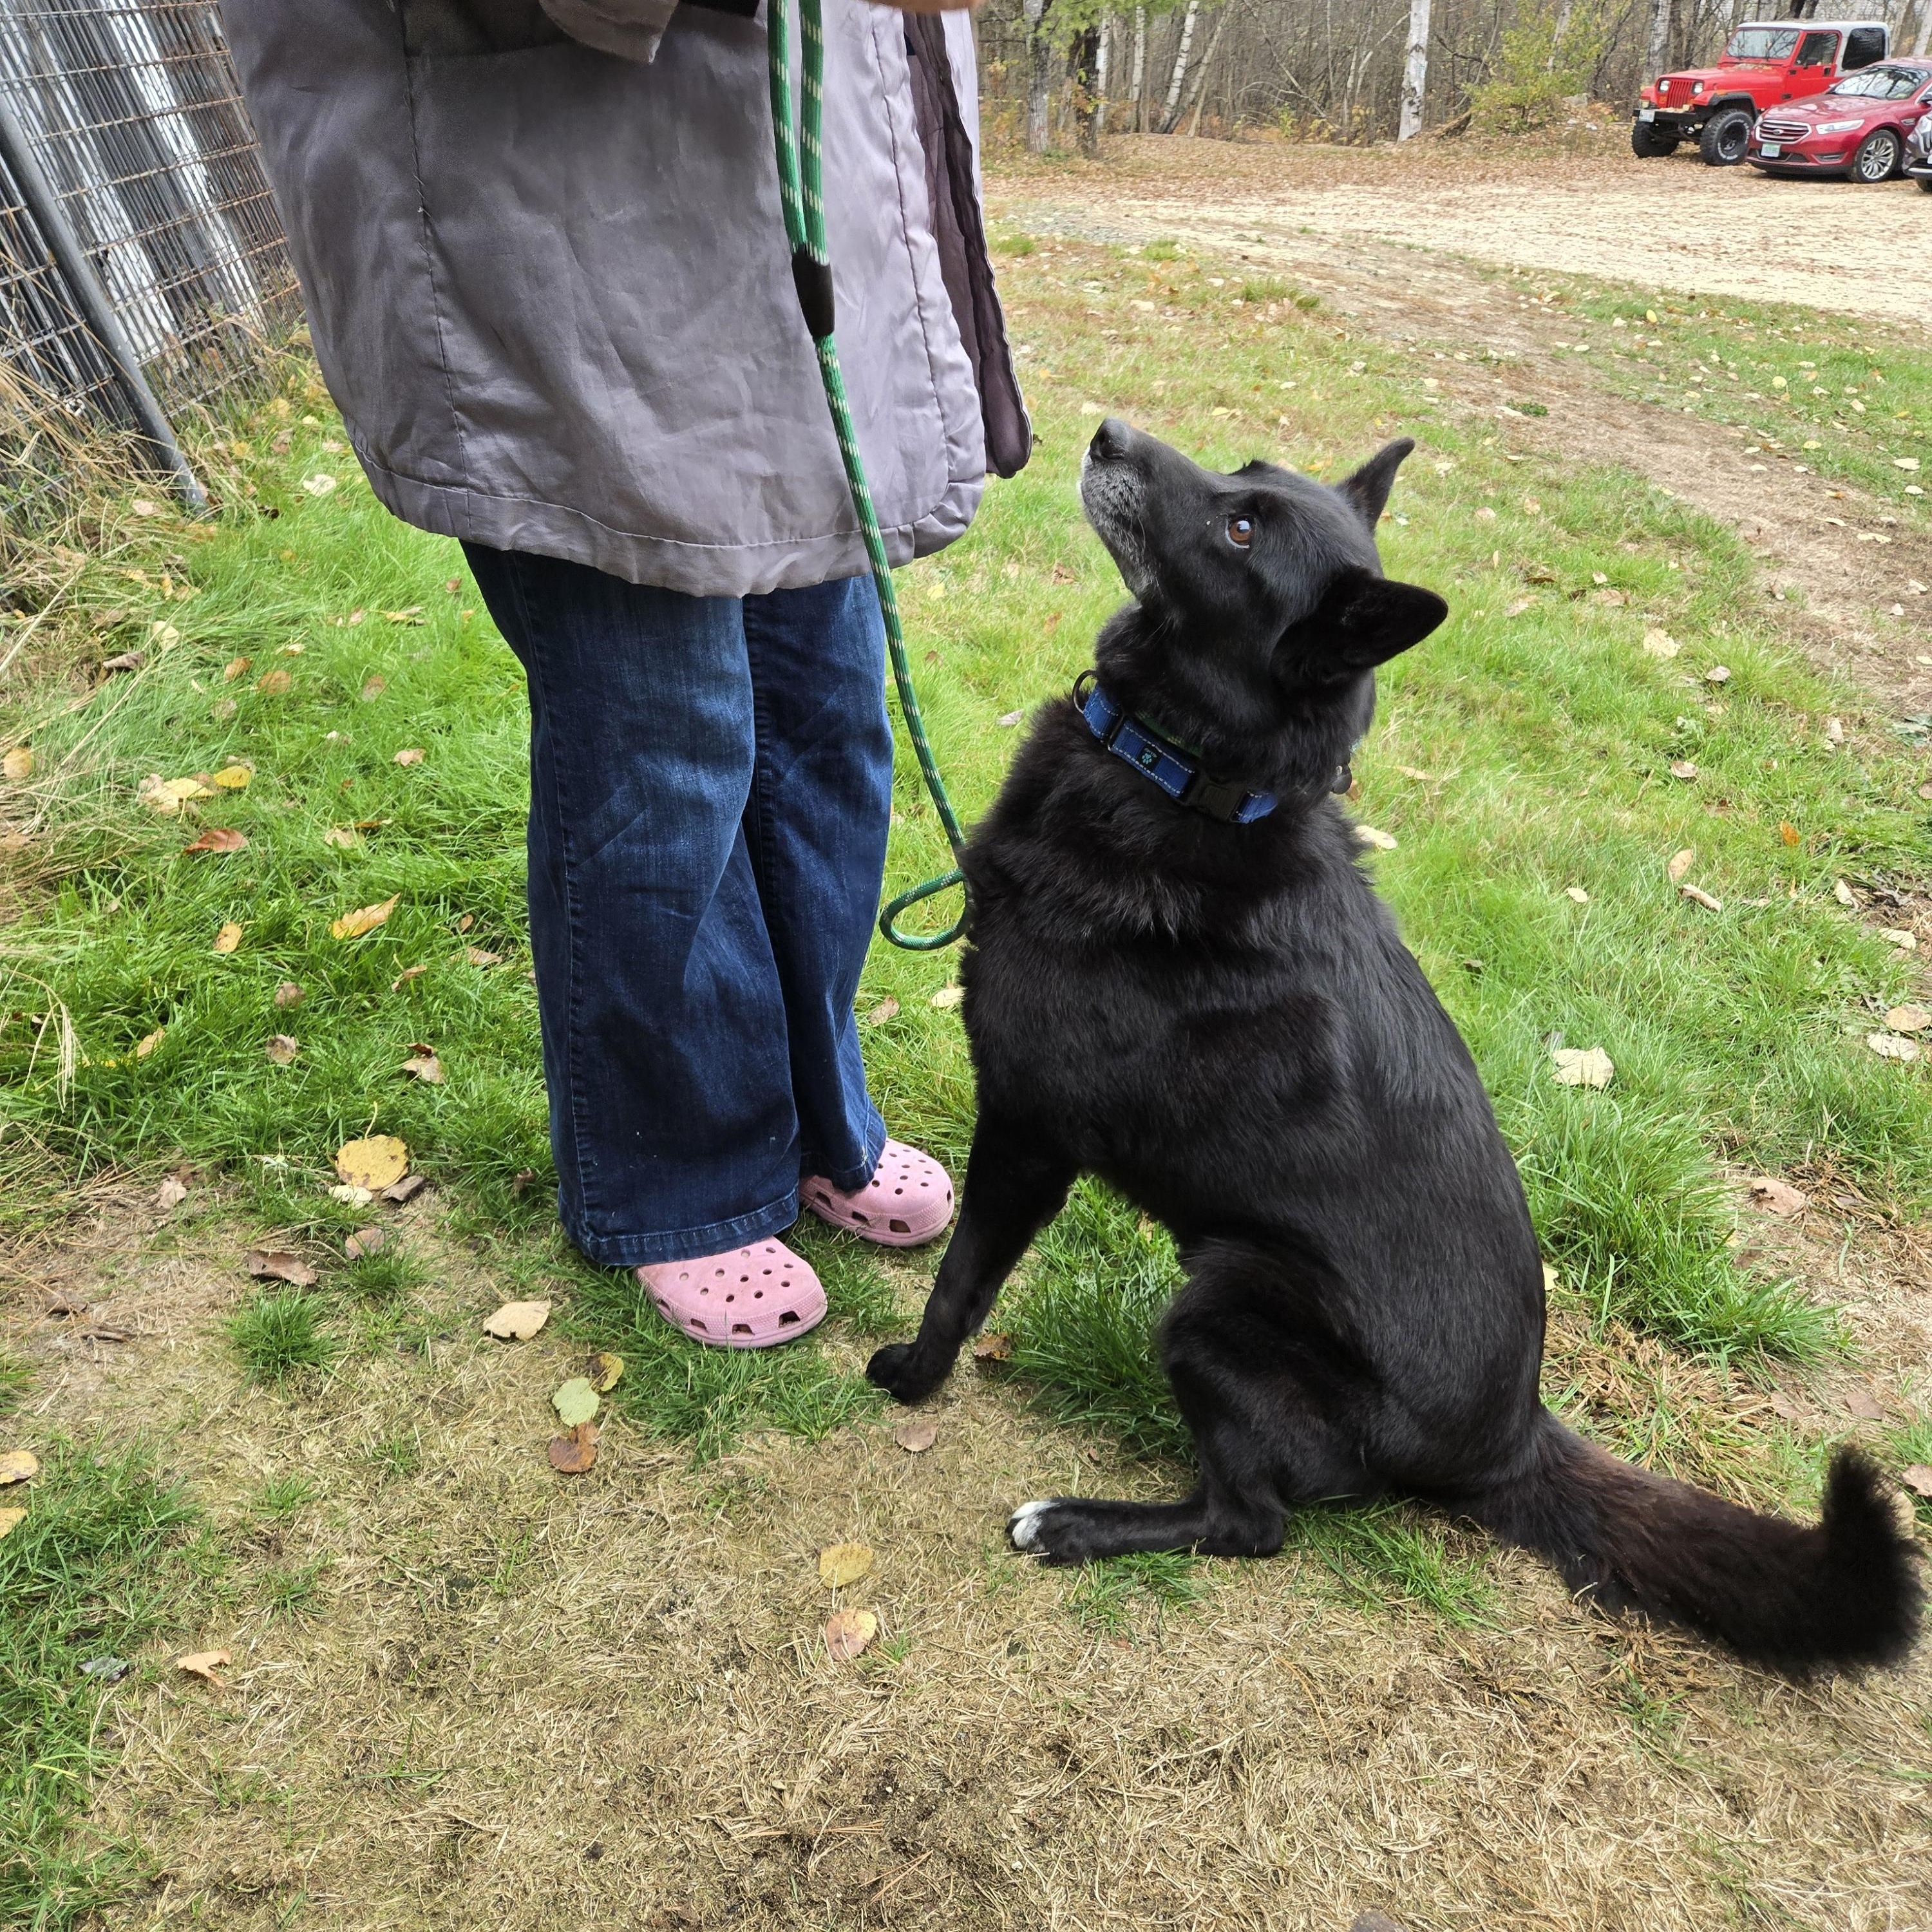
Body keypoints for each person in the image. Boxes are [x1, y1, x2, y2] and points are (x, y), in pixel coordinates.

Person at [222, 0, 1029, 1346]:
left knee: (825, 717)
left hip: (773, 244)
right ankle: (685, 1174)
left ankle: (820, 1115)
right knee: (662, 746)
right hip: (545, 224)